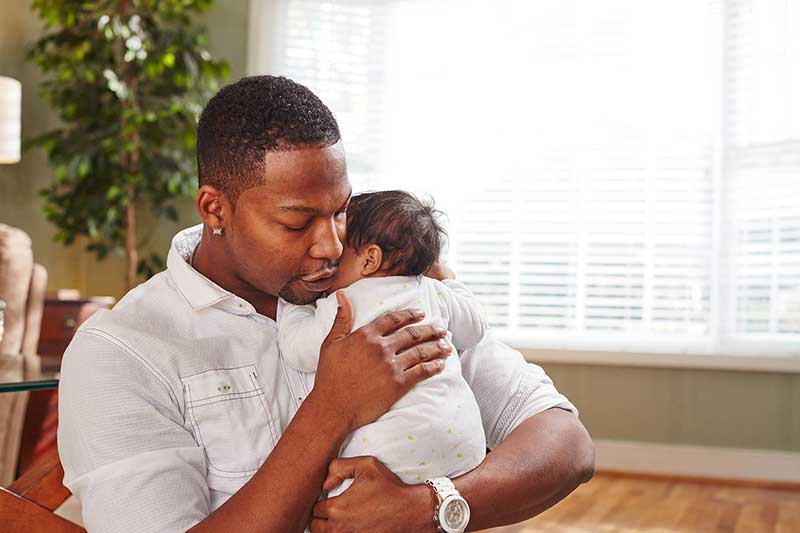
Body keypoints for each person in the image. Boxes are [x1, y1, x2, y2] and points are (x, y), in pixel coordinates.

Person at [57, 75, 594, 533]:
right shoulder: (122, 352)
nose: (332, 247)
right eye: (297, 222)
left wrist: (429, 507)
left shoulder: (378, 284)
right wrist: (334, 404)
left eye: (339, 212)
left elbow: (567, 444)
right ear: (214, 207)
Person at [278, 190, 488, 498]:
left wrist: (293, 305)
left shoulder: (344, 302)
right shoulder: (430, 290)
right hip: (463, 442)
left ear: (370, 259)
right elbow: (475, 327)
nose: (332, 258)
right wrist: (449, 280)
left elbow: (298, 349)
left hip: (390, 452)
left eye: (341, 255)